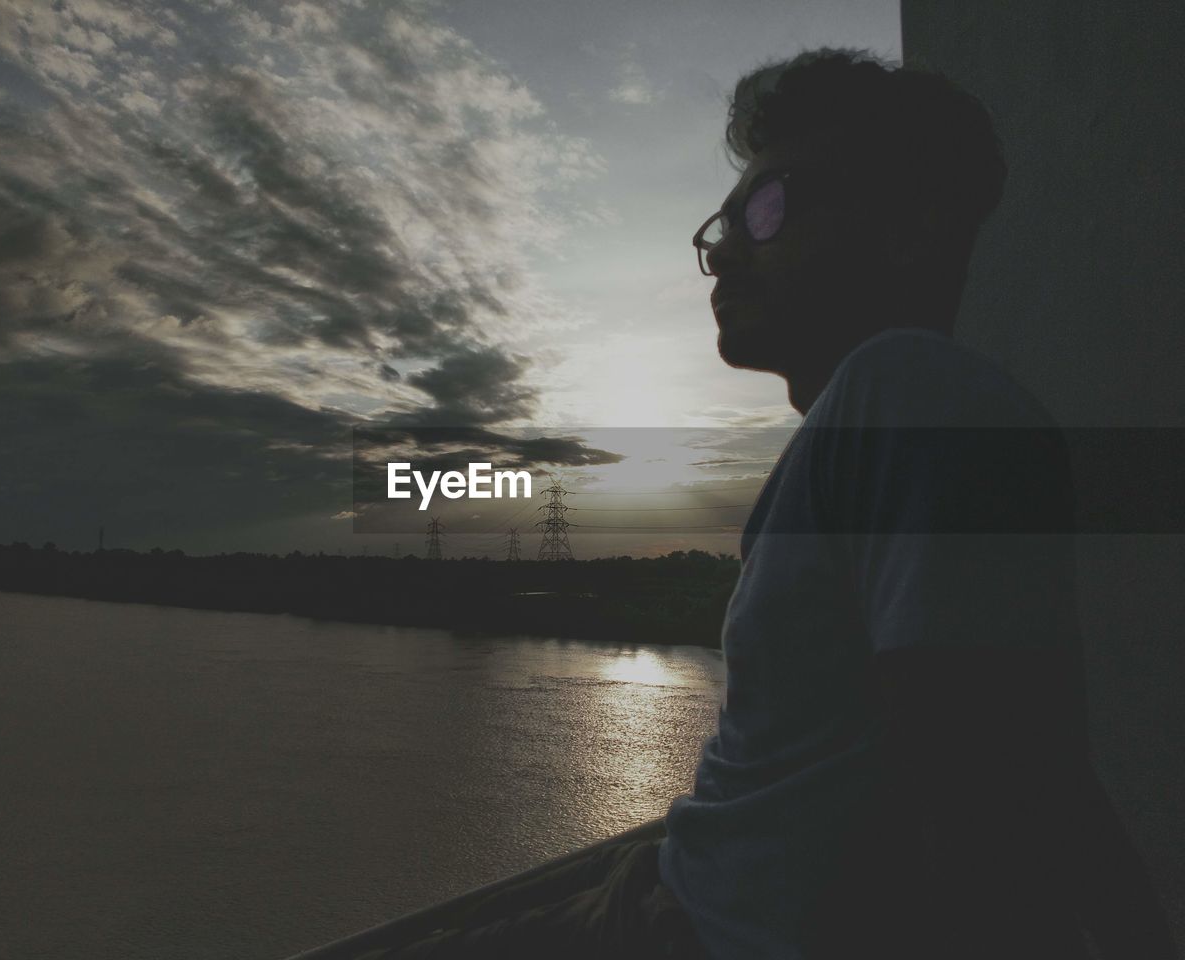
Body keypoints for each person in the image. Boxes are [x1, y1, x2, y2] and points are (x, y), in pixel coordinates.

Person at [351, 48, 1175, 960]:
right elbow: (1038, 756)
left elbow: (988, 791)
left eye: (768, 206)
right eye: (722, 224)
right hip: (674, 895)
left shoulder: (904, 390)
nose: (723, 254)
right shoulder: (884, 419)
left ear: (907, 226)